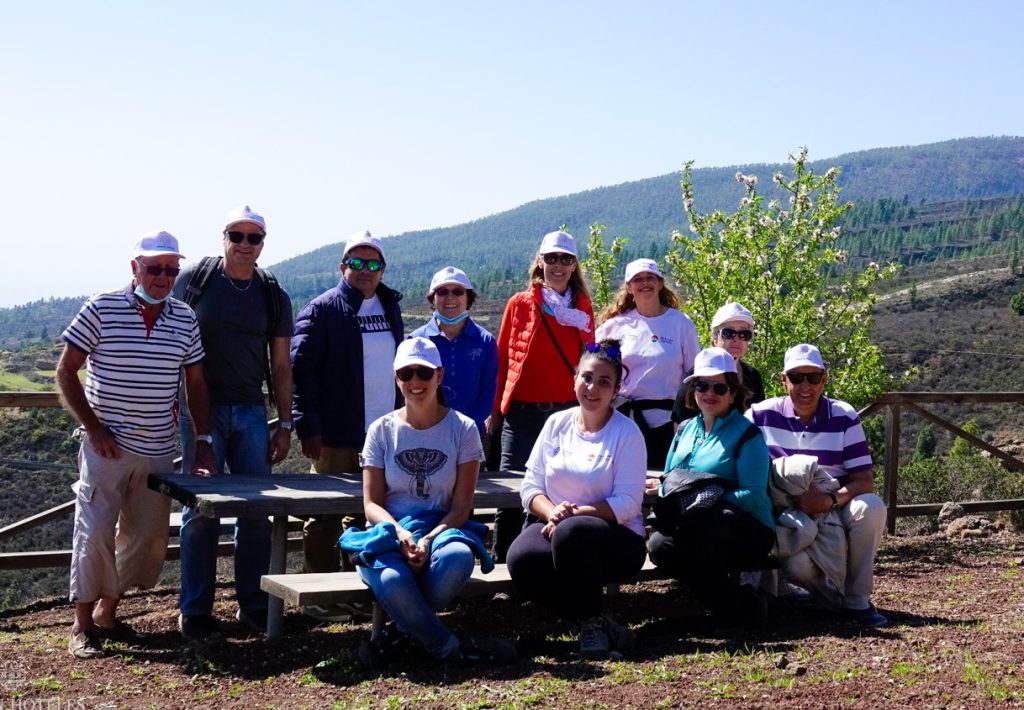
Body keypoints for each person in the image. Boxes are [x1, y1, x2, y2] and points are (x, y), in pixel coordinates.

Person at [56, 231, 216, 659]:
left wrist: (202, 440)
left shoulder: (184, 317)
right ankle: (82, 625)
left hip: (159, 447)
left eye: (170, 269)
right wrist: (93, 428)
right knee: (94, 534)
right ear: (135, 268)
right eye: (154, 268)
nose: (163, 276)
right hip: (105, 448)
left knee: (146, 538)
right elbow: (66, 370)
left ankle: (110, 615)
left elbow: (195, 382)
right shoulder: (101, 307)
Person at [343, 337, 516, 667]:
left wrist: (426, 539)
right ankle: (450, 648)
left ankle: (402, 633)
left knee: (458, 559)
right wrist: (402, 536)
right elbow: (372, 505)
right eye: (406, 374)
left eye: (423, 373)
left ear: (439, 376)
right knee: (393, 579)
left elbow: (462, 507)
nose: (414, 382)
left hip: (440, 530)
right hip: (387, 534)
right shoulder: (380, 431)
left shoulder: (463, 430)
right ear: (397, 379)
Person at [172, 205, 294, 639]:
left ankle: (255, 605)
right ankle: (195, 610)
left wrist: (285, 423)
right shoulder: (195, 282)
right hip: (198, 414)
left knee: (256, 515)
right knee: (199, 514)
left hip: (251, 413)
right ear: (222, 237)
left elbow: (281, 365)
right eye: (236, 236)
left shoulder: (273, 293)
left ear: (263, 243)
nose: (244, 244)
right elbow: (173, 343)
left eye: (253, 238)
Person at [506, 339, 647, 659]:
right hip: (555, 526)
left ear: (616, 389)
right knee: (521, 558)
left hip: (617, 539)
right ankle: (594, 620)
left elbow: (628, 503)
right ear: (574, 379)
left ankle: (592, 629)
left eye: (604, 382)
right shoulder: (556, 423)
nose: (593, 388)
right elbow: (530, 486)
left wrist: (576, 514)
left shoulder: (627, 434)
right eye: (586, 378)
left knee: (572, 534)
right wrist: (554, 511)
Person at [291, 230, 403, 621]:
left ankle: (354, 589)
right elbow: (301, 372)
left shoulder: (390, 306)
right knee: (321, 514)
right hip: (336, 431)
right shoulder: (322, 309)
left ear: (383, 270)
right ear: (343, 267)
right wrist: (307, 426)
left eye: (373, 264)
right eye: (357, 262)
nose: (365, 270)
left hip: (382, 432)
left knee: (364, 514)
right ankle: (318, 595)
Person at [746, 343, 888, 627]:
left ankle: (857, 601)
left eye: (813, 377)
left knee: (871, 508)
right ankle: (835, 600)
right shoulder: (760, 415)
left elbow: (864, 480)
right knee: (797, 566)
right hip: (789, 512)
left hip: (835, 502)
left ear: (825, 378)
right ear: (783, 379)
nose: (805, 386)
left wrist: (829, 501)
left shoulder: (844, 416)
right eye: (797, 378)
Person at [486, 230, 595, 562]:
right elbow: (503, 358)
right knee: (509, 490)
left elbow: (591, 361)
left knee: (555, 491)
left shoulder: (583, 307)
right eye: (551, 258)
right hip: (521, 415)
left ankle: (537, 561)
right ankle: (503, 564)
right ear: (540, 262)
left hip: (565, 414)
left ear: (574, 265)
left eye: (565, 259)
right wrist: (496, 410)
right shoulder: (519, 304)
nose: (558, 265)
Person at [647, 347, 775, 623]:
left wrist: (709, 503)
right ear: (692, 390)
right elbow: (668, 480)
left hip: (747, 525)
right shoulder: (684, 431)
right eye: (701, 385)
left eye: (719, 387)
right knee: (660, 545)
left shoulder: (747, 435)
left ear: (733, 393)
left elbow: (754, 496)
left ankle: (725, 611)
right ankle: (738, 602)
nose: (710, 393)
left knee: (697, 538)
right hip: (693, 522)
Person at [596, 258, 699, 468]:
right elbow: (595, 367)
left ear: (660, 283)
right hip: (624, 419)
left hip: (670, 422)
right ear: (629, 287)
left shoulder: (681, 324)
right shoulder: (615, 326)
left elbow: (693, 376)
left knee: (663, 482)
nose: (645, 283)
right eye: (638, 279)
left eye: (650, 278)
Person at [409, 266, 498, 454]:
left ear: (468, 298)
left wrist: (464, 428)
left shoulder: (485, 341)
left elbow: (489, 391)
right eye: (442, 292)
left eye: (458, 291)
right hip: (425, 433)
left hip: (472, 435)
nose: (450, 297)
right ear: (433, 298)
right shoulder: (415, 342)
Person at [672, 301, 765, 424]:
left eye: (744, 334)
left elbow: (761, 422)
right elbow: (680, 423)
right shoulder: (698, 374)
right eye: (728, 333)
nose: (736, 339)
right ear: (715, 337)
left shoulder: (753, 376)